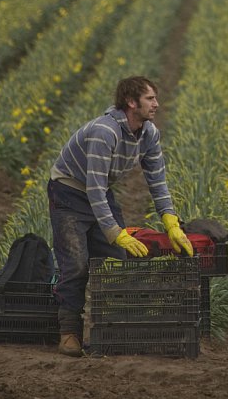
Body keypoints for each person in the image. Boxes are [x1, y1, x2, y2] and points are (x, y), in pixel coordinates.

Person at [47, 76, 193, 357]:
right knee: (76, 264)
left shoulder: (149, 134)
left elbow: (158, 181)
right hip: (68, 192)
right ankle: (69, 333)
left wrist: (171, 222)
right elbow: (94, 189)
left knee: (116, 260)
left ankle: (109, 330)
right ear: (131, 102)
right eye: (150, 99)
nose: (156, 104)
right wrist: (116, 232)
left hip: (98, 191)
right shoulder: (105, 132)